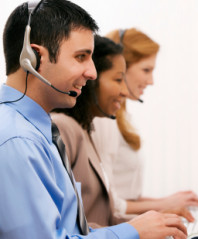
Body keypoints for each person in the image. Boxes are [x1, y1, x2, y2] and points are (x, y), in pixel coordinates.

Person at [0, 1, 187, 239]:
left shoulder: (40, 131)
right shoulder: (17, 140)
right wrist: (133, 232)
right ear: (35, 58)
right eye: (80, 57)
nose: (92, 73)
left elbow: (70, 230)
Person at [52, 35, 194, 227]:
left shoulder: (84, 128)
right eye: (119, 79)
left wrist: (155, 219)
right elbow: (68, 226)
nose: (125, 91)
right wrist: (139, 227)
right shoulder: (64, 128)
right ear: (91, 79)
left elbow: (105, 215)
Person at [92, 28, 198, 218]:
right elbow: (109, 203)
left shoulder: (121, 117)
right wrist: (163, 204)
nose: (151, 81)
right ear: (122, 66)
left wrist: (165, 202)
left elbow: (124, 197)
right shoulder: (103, 120)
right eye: (146, 70)